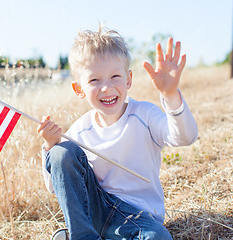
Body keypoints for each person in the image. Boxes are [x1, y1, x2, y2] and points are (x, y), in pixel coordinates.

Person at [37, 26, 198, 240]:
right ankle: (83, 236)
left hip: (139, 219)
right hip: (94, 210)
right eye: (95, 80)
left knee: (158, 237)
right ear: (79, 89)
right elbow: (55, 186)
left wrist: (170, 95)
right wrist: (50, 147)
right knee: (61, 152)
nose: (106, 87)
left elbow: (185, 137)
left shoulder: (144, 114)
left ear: (128, 79)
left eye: (115, 76)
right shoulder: (79, 131)